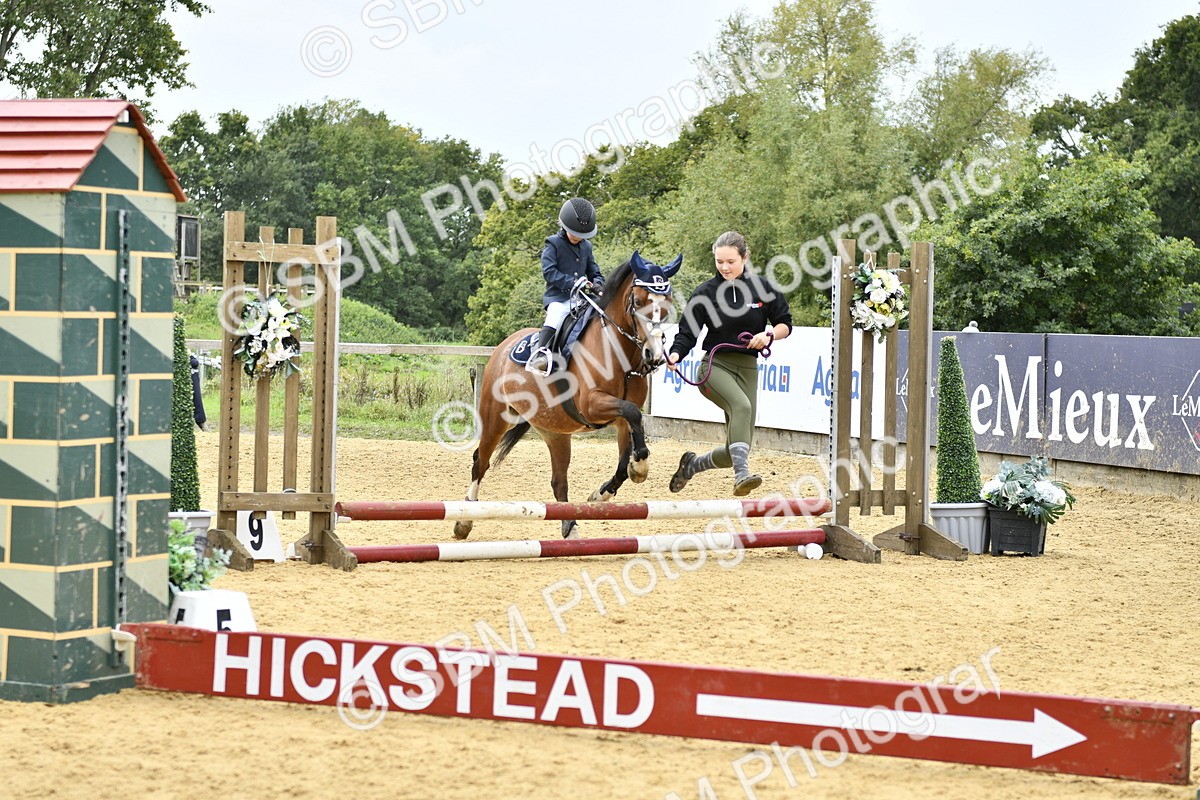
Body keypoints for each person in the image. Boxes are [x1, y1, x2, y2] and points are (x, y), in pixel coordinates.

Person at [665, 231, 792, 496]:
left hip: (748, 369)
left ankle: (691, 466)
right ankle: (741, 476)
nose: (724, 267)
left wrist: (768, 334)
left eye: (731, 261)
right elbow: (687, 333)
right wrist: (676, 354)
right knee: (741, 406)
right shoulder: (705, 293)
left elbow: (785, 324)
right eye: (719, 261)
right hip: (714, 366)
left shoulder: (763, 288)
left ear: (745, 258)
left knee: (734, 449)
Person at [526, 197, 605, 374]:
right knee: (556, 315)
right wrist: (575, 283)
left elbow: (594, 271)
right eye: (575, 233)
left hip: (582, 299)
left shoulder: (586, 246)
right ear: (564, 226)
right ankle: (541, 355)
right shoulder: (553, 243)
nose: (578, 238)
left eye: (582, 235)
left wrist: (598, 284)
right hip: (559, 297)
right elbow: (549, 272)